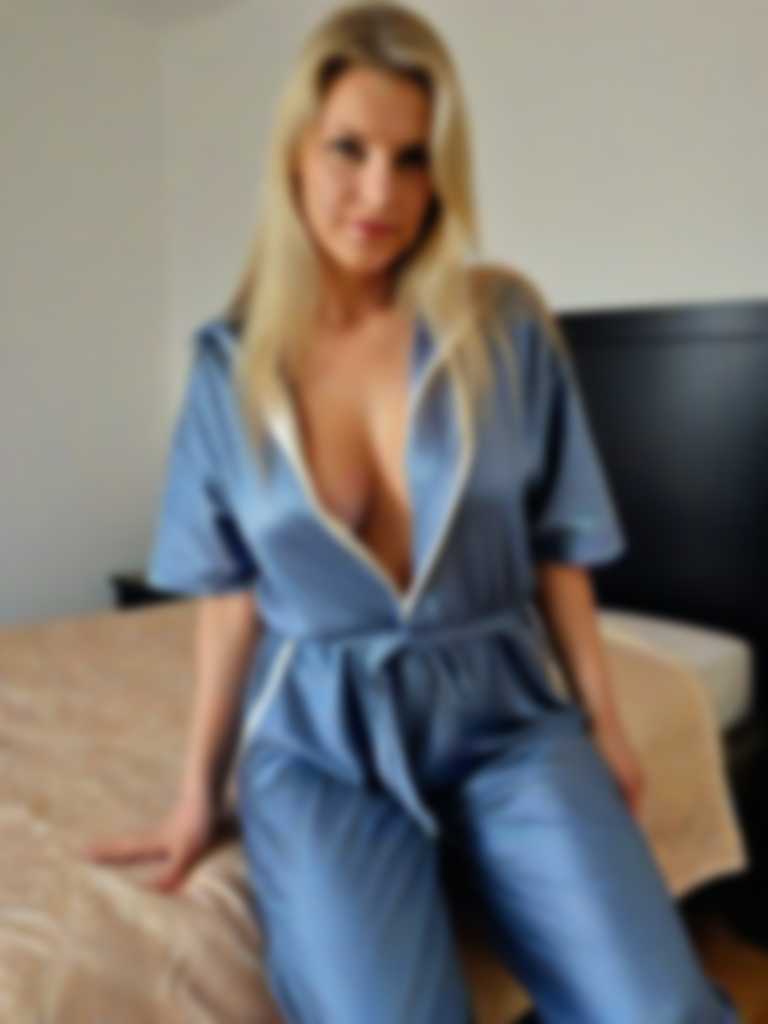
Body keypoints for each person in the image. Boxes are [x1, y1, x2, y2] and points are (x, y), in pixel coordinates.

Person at [84, 3, 741, 1021]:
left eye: (412, 159)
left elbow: (559, 547)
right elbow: (228, 600)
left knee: (658, 1007)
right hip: (318, 739)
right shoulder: (228, 368)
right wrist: (195, 795)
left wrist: (605, 722)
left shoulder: (503, 327)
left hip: (505, 714)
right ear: (295, 152)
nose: (379, 192)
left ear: (442, 176)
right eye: (349, 149)